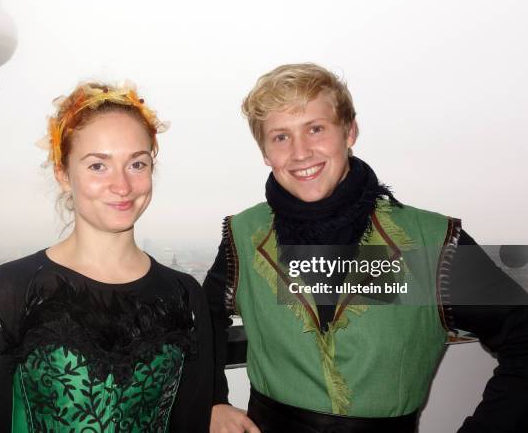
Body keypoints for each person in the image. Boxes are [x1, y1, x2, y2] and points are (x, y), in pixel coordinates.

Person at [204, 63, 528, 432]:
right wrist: (212, 399)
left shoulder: (428, 240)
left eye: (315, 128)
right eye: (280, 137)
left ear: (349, 131)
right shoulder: (244, 235)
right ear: (265, 152)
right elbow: (201, 322)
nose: (301, 152)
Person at [0, 81, 213, 432]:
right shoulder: (12, 291)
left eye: (137, 164)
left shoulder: (185, 295)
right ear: (63, 174)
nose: (122, 186)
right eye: (98, 166)